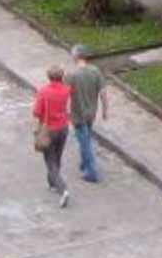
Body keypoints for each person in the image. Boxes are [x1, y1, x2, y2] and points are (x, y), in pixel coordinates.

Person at [33, 67, 73, 208]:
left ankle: (63, 189)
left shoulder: (44, 91)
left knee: (50, 161)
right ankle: (52, 183)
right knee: (57, 157)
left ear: (49, 77)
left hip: (49, 130)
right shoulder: (66, 90)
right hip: (63, 128)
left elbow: (36, 112)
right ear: (61, 77)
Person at [67, 45, 108, 184]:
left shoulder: (72, 75)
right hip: (92, 113)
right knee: (86, 137)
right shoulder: (95, 71)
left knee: (85, 143)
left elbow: (65, 94)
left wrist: (63, 111)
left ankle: (91, 172)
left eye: (72, 53)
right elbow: (103, 93)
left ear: (76, 56)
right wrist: (105, 110)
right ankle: (84, 163)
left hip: (78, 114)